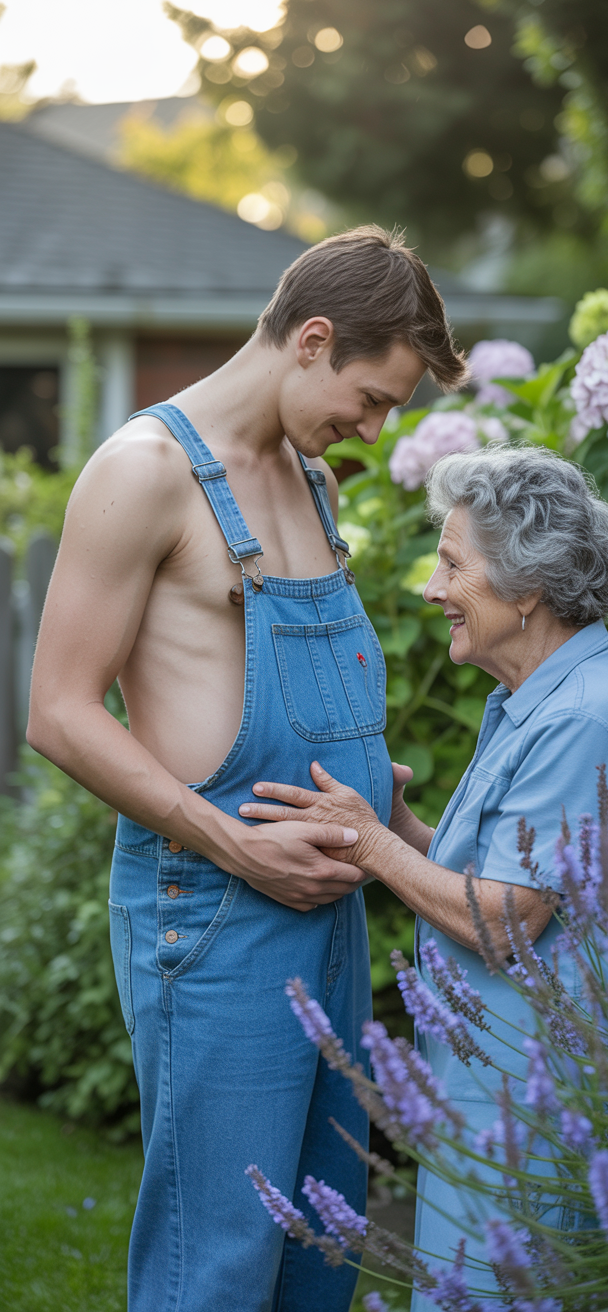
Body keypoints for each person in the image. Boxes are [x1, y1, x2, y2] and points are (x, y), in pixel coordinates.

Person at [27, 226, 467, 1312]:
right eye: (370, 398)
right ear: (311, 340)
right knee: (217, 1260)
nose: (370, 429)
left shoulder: (308, 477)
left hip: (329, 911)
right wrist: (235, 842)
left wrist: (374, 784)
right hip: (214, 908)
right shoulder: (144, 472)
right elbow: (58, 711)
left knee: (321, 1247)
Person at [241, 443, 608, 1307]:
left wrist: (373, 845)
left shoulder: (583, 718)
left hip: (538, 1099)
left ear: (526, 589)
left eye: (453, 566)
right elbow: (529, 879)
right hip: (499, 1084)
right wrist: (405, 831)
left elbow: (509, 920)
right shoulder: (545, 697)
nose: (432, 589)